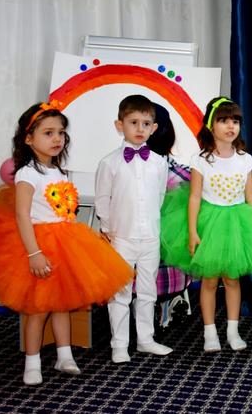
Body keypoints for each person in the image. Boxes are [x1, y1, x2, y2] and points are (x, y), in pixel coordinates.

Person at [0, 101, 133, 385]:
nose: (57, 138)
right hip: (39, 244)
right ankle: (32, 362)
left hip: (65, 242)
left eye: (60, 132)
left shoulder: (58, 172)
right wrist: (34, 253)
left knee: (62, 303)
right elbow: (22, 215)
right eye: (48, 133)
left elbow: (64, 211)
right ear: (28, 138)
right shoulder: (27, 173)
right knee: (39, 309)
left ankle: (64, 354)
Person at [160, 97, 252, 352]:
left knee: (232, 280)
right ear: (211, 125)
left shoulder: (245, 159)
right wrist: (193, 231)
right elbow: (194, 197)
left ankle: (232, 331)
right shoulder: (201, 160)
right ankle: (209, 333)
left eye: (235, 121)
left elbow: (250, 194)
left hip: (237, 223)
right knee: (209, 281)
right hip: (210, 224)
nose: (231, 126)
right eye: (224, 121)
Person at [95, 95, 171, 363]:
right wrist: (108, 227)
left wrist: (152, 226)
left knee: (148, 290)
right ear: (120, 125)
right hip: (121, 237)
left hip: (149, 237)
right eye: (133, 122)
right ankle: (119, 345)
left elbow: (159, 196)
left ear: (153, 128)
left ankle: (145, 339)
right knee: (120, 292)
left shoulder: (159, 163)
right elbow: (102, 199)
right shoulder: (109, 163)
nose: (140, 128)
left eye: (146, 123)